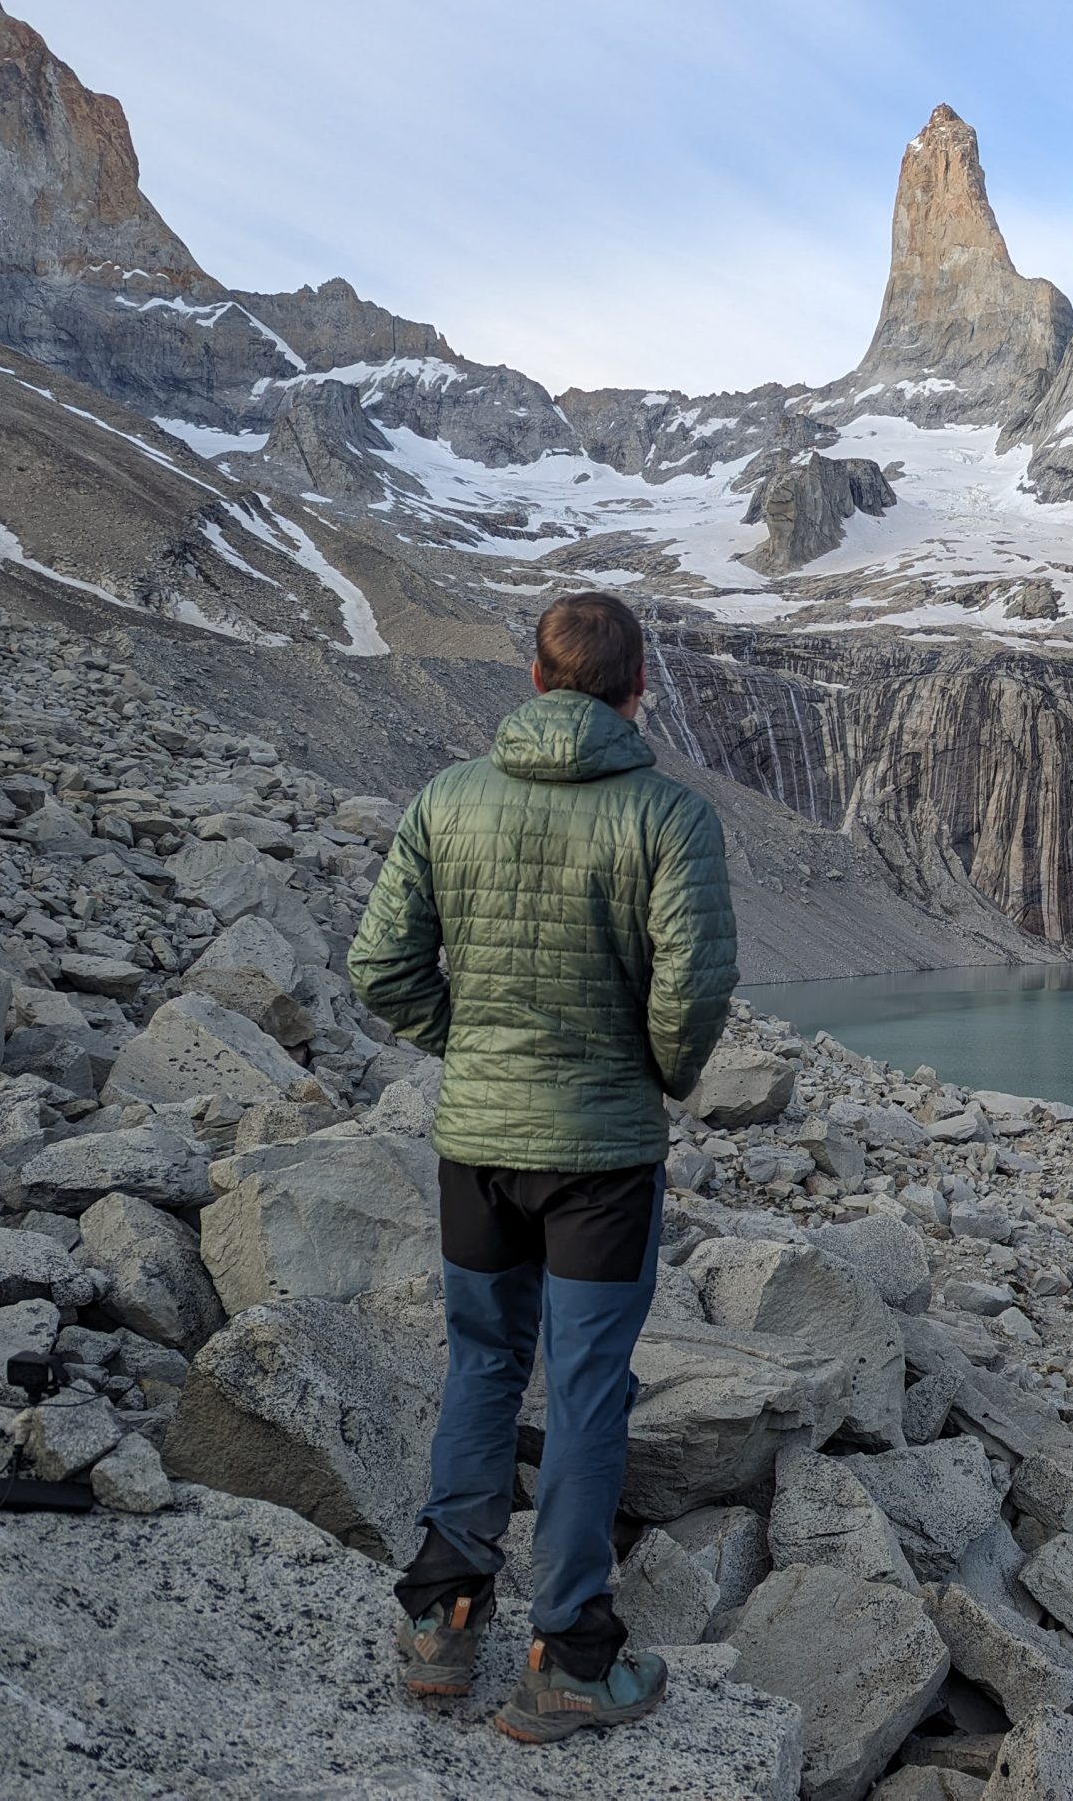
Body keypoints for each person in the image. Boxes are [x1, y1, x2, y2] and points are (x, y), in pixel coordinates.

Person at [350, 592, 736, 1743]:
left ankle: (441, 1617)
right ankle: (569, 1651)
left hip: (476, 1142)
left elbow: (381, 964)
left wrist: (468, 1047)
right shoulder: (671, 814)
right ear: (636, 689)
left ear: (532, 680)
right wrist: (656, 1072)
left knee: (479, 1359)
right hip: (603, 1159)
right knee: (584, 1388)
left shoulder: (446, 797)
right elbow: (696, 984)